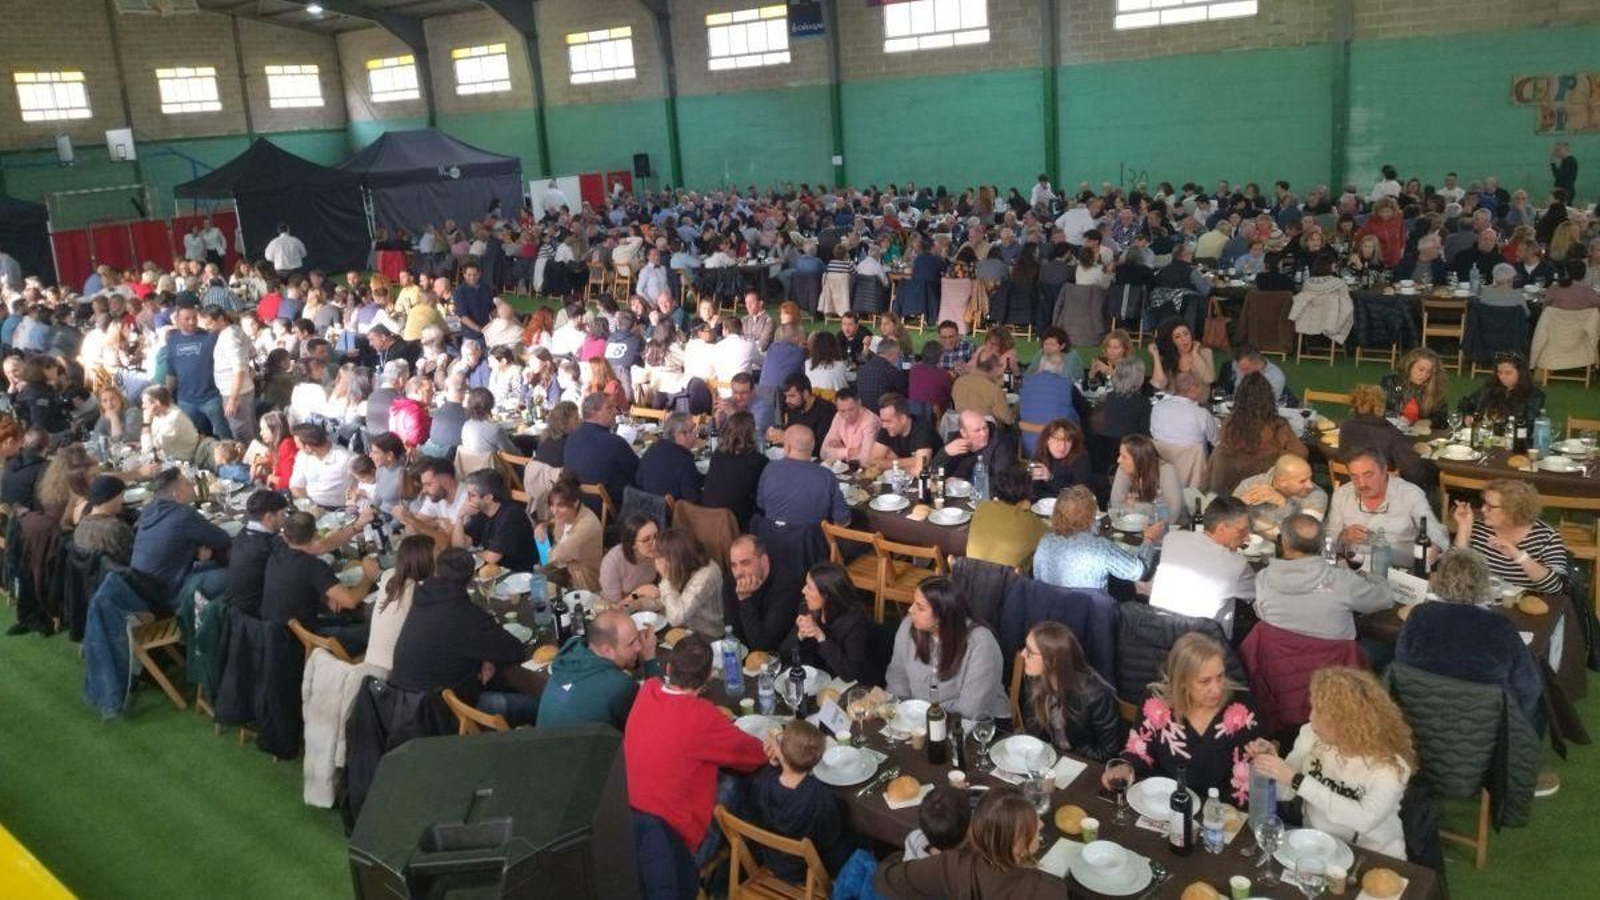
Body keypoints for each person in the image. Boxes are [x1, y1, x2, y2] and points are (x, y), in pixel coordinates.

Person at [623, 633, 772, 867]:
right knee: (739, 782)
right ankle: (754, 859)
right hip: (679, 849)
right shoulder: (701, 716)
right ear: (710, 675)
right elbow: (755, 755)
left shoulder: (648, 689)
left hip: (630, 827)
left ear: (669, 667)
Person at [1249, 667, 1415, 859]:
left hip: (1372, 857)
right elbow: (1285, 793)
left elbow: (1364, 820)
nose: (1311, 718)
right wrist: (1271, 765)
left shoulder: (1392, 766)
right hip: (1315, 846)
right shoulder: (1310, 734)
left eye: (1319, 713)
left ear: (1345, 722)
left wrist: (1295, 779)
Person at [1397, 548, 1543, 728]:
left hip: (1423, 720)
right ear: (1484, 584)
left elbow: (1401, 667)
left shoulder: (1419, 615)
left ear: (1437, 580)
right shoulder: (1499, 625)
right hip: (1487, 727)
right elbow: (1529, 688)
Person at [1111, 632, 1262, 805]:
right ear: (1182, 681)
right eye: (1205, 681)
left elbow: (1246, 780)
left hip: (1217, 810)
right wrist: (1125, 767)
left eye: (1220, 676)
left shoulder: (1242, 708)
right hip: (1162, 803)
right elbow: (1139, 752)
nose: (1217, 689)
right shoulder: (1155, 702)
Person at [389, 547, 534, 725]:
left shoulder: (422, 600)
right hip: (443, 716)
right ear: (470, 578)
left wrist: (484, 659)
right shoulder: (467, 616)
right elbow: (516, 650)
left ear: (436, 571)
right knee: (537, 703)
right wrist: (486, 658)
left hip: (401, 706)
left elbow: (449, 643)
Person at [874, 787, 1061, 900]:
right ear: (1017, 847)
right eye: (1035, 823)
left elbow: (887, 878)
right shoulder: (1047, 891)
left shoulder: (952, 864)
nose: (1042, 824)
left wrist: (896, 858)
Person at [885, 577, 1009, 720]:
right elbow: (897, 675)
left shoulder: (981, 644)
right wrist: (902, 711)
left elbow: (971, 709)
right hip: (919, 721)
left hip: (979, 726)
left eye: (920, 607)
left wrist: (925, 714)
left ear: (942, 615)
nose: (910, 609)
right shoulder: (908, 626)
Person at [1253, 514, 1392, 641]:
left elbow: (1262, 614)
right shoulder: (1342, 581)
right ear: (1321, 545)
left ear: (1283, 542)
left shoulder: (1263, 579)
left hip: (1279, 663)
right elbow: (1385, 599)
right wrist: (1373, 576)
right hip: (1335, 665)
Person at [747, 720, 852, 885]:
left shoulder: (763, 781)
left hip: (773, 860)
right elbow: (829, 839)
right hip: (807, 872)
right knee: (854, 839)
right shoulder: (820, 796)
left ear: (781, 752)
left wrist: (776, 763)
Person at [261, 511, 378, 653]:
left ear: (285, 536)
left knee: (348, 620)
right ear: (315, 534)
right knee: (373, 631)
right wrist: (368, 576)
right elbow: (350, 601)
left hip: (275, 633)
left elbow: (320, 549)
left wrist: (326, 594)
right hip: (303, 641)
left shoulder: (278, 549)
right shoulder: (313, 566)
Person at [538, 608, 663, 731]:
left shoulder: (569, 656)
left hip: (540, 743)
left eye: (637, 638)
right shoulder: (619, 687)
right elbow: (658, 714)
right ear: (606, 650)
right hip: (582, 750)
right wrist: (650, 658)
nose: (639, 647)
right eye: (631, 643)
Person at [1148, 496, 1256, 635]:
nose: (1247, 537)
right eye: (1243, 531)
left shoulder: (1172, 538)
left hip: (1157, 631)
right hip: (1203, 645)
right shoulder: (1237, 564)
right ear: (1222, 528)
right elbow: (1256, 595)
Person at [1325, 449, 1449, 564]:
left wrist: (1434, 549)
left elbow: (1436, 533)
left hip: (1398, 571)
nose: (1361, 484)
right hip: (1354, 568)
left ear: (1384, 471)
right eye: (1354, 476)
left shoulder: (1410, 494)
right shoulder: (1342, 495)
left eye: (1368, 475)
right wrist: (1344, 537)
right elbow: (1327, 544)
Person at [1019, 622, 1122, 761]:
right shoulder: (1034, 679)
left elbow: (1108, 753)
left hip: (1083, 764)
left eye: (1030, 652)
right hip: (1048, 758)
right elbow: (1033, 729)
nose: (1023, 654)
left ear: (1053, 660)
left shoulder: (1097, 694)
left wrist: (1067, 758)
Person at [1450, 478, 1569, 595]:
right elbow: (1452, 573)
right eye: (1484, 503)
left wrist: (1519, 556)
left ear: (1513, 510)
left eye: (1490, 506)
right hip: (1481, 600)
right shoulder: (1479, 527)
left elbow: (1556, 587)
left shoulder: (1547, 537)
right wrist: (1463, 528)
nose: (1482, 509)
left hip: (1522, 606)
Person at [131, 468, 234, 597]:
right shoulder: (183, 515)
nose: (192, 485)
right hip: (168, 592)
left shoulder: (149, 509)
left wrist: (195, 551)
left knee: (214, 565)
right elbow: (223, 539)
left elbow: (165, 539)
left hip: (144, 587)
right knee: (234, 575)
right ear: (176, 493)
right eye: (187, 483)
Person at [1033, 485, 1155, 592]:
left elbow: (1037, 578)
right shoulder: (1100, 547)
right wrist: (1148, 539)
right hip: (1090, 614)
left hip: (1051, 612)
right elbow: (1139, 572)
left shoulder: (1045, 541)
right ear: (1091, 515)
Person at [1208, 372, 1306, 496]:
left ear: (1239, 397)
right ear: (1269, 398)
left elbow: (1222, 446)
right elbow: (1301, 455)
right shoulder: (1277, 425)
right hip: (1263, 489)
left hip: (1227, 489)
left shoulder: (1229, 423)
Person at [776, 561, 872, 683]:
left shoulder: (854, 621)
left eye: (809, 588)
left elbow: (849, 674)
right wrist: (800, 634)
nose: (803, 590)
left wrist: (821, 637)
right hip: (814, 680)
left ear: (827, 595)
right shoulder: (807, 608)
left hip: (846, 686)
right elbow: (783, 655)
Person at [1336, 384, 1435, 487]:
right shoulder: (1390, 433)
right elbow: (1414, 473)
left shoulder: (1345, 427)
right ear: (1380, 406)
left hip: (1349, 489)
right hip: (1382, 492)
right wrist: (1427, 461)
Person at [723, 535, 804, 652]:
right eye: (734, 565)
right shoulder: (731, 581)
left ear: (764, 560)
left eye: (745, 563)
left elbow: (763, 645)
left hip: (777, 657)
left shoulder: (786, 585)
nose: (738, 572)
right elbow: (732, 632)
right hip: (744, 655)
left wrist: (745, 600)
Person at [756, 426, 849, 528]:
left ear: (787, 447)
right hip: (809, 541)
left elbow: (761, 504)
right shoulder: (826, 476)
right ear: (812, 447)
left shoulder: (770, 469)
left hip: (770, 539)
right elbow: (843, 521)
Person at [637, 528, 723, 639]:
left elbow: (675, 618)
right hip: (685, 629)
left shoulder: (706, 574)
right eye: (646, 539)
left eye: (660, 556)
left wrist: (665, 578)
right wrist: (637, 603)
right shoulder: (679, 565)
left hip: (706, 635)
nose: (657, 561)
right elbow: (665, 599)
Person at [365, 534, 433, 672]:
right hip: (395, 677)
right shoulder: (421, 594)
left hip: (369, 665)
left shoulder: (388, 575)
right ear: (427, 563)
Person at [563, 392, 638, 515]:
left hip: (581, 505)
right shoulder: (613, 442)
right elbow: (637, 472)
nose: (615, 411)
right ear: (594, 413)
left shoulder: (571, 438)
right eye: (609, 408)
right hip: (612, 509)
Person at [454, 469, 538, 573]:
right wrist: (459, 517)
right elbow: (459, 546)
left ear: (488, 498)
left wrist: (471, 554)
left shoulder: (511, 515)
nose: (467, 500)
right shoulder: (481, 511)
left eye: (472, 495)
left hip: (518, 573)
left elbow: (492, 557)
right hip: (495, 570)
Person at [965, 467, 1048, 570]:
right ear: (1028, 493)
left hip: (969, 579)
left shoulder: (982, 508)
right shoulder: (1030, 523)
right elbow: (1051, 536)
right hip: (1006, 584)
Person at [702, 410, 767, 531]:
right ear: (751, 434)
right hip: (735, 524)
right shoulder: (758, 461)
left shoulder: (717, 454)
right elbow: (762, 497)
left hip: (708, 520)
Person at [1232, 454, 1328, 534]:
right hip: (1250, 550)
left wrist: (1283, 503)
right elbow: (1228, 524)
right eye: (1303, 481)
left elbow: (1303, 536)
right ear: (1282, 481)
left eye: (1310, 478)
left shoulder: (1317, 496)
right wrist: (1239, 505)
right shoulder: (1250, 485)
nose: (1310, 485)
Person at [1109, 434, 1187, 529]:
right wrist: (1152, 509)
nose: (1118, 460)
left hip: (1171, 530)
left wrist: (1135, 505)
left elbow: (1171, 515)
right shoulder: (1123, 467)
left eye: (1124, 457)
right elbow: (1116, 506)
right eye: (1119, 455)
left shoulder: (1166, 471)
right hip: (1134, 527)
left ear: (1139, 459)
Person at [539, 479, 604, 590]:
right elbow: (553, 522)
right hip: (567, 570)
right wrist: (542, 525)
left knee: (539, 578)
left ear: (576, 502)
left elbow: (559, 555)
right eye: (552, 505)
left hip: (583, 583)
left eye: (560, 505)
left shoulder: (587, 525)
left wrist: (544, 554)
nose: (554, 511)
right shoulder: (567, 515)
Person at [1457, 351, 1545, 427]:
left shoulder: (1534, 395)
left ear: (1521, 372)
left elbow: (1529, 425)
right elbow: (1466, 404)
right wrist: (1467, 416)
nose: (1503, 377)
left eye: (1508, 373)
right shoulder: (1490, 387)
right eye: (1500, 373)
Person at [931, 410, 1016, 483]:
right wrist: (945, 452)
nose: (983, 434)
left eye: (985, 428)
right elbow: (934, 472)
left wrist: (965, 482)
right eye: (977, 430)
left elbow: (1003, 481)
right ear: (963, 433)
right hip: (954, 495)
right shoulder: (955, 440)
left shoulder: (1000, 443)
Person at [635, 412, 703, 502]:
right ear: (680, 435)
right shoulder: (684, 460)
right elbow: (693, 498)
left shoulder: (653, 448)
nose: (696, 434)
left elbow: (638, 480)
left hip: (647, 509)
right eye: (692, 430)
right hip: (671, 514)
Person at [870, 393, 940, 475]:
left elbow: (920, 469)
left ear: (903, 419)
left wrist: (889, 463)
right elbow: (873, 462)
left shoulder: (923, 430)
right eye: (883, 420)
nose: (884, 425)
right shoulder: (887, 428)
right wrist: (913, 461)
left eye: (888, 421)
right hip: (903, 481)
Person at [287, 422, 352, 509]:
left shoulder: (345, 459)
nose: (296, 447)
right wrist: (312, 507)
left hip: (337, 510)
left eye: (298, 444)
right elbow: (296, 487)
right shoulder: (302, 456)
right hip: (309, 506)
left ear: (308, 447)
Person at [1382, 347, 1450, 430]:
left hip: (1419, 434)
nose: (1424, 375)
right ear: (1409, 366)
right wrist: (1396, 417)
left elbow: (1442, 417)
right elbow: (1378, 408)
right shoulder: (1391, 382)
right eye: (1421, 370)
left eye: (1429, 372)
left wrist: (1429, 422)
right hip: (1391, 430)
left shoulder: (1433, 388)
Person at [72, 476, 134, 565]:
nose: (123, 500)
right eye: (121, 496)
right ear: (110, 497)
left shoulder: (80, 525)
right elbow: (134, 557)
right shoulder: (116, 528)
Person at [600, 513, 661, 605]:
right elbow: (616, 607)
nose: (655, 544)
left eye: (656, 536)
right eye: (646, 540)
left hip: (645, 604)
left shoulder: (657, 553)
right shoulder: (612, 562)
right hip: (617, 608)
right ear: (632, 544)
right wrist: (638, 593)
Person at [771, 372, 836, 449]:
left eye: (792, 396)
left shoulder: (826, 410)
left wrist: (787, 439)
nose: (787, 400)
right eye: (786, 396)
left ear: (805, 394)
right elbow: (790, 431)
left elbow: (820, 445)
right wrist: (775, 435)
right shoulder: (793, 407)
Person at [950, 350, 1014, 425]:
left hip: (961, 430)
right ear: (994, 367)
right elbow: (1008, 419)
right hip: (985, 432)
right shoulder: (993, 390)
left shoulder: (958, 382)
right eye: (999, 365)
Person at [1148, 319, 1215, 392]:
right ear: (1171, 341)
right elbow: (1159, 384)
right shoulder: (1166, 357)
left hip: (1197, 401)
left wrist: (1195, 354)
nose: (1184, 339)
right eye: (1177, 337)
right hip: (1173, 401)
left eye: (1186, 334)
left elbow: (1209, 379)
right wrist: (1156, 356)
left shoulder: (1205, 352)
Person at [818, 388, 879, 465]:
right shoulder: (838, 416)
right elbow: (823, 453)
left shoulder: (870, 421)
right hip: (848, 469)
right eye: (842, 411)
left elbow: (865, 460)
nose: (847, 416)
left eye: (851, 409)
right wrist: (848, 451)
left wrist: (839, 450)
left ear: (859, 403)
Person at [852, 336, 906, 412]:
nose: (898, 357)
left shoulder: (862, 369)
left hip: (864, 413)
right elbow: (904, 392)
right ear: (893, 354)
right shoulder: (892, 371)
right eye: (898, 354)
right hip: (884, 415)